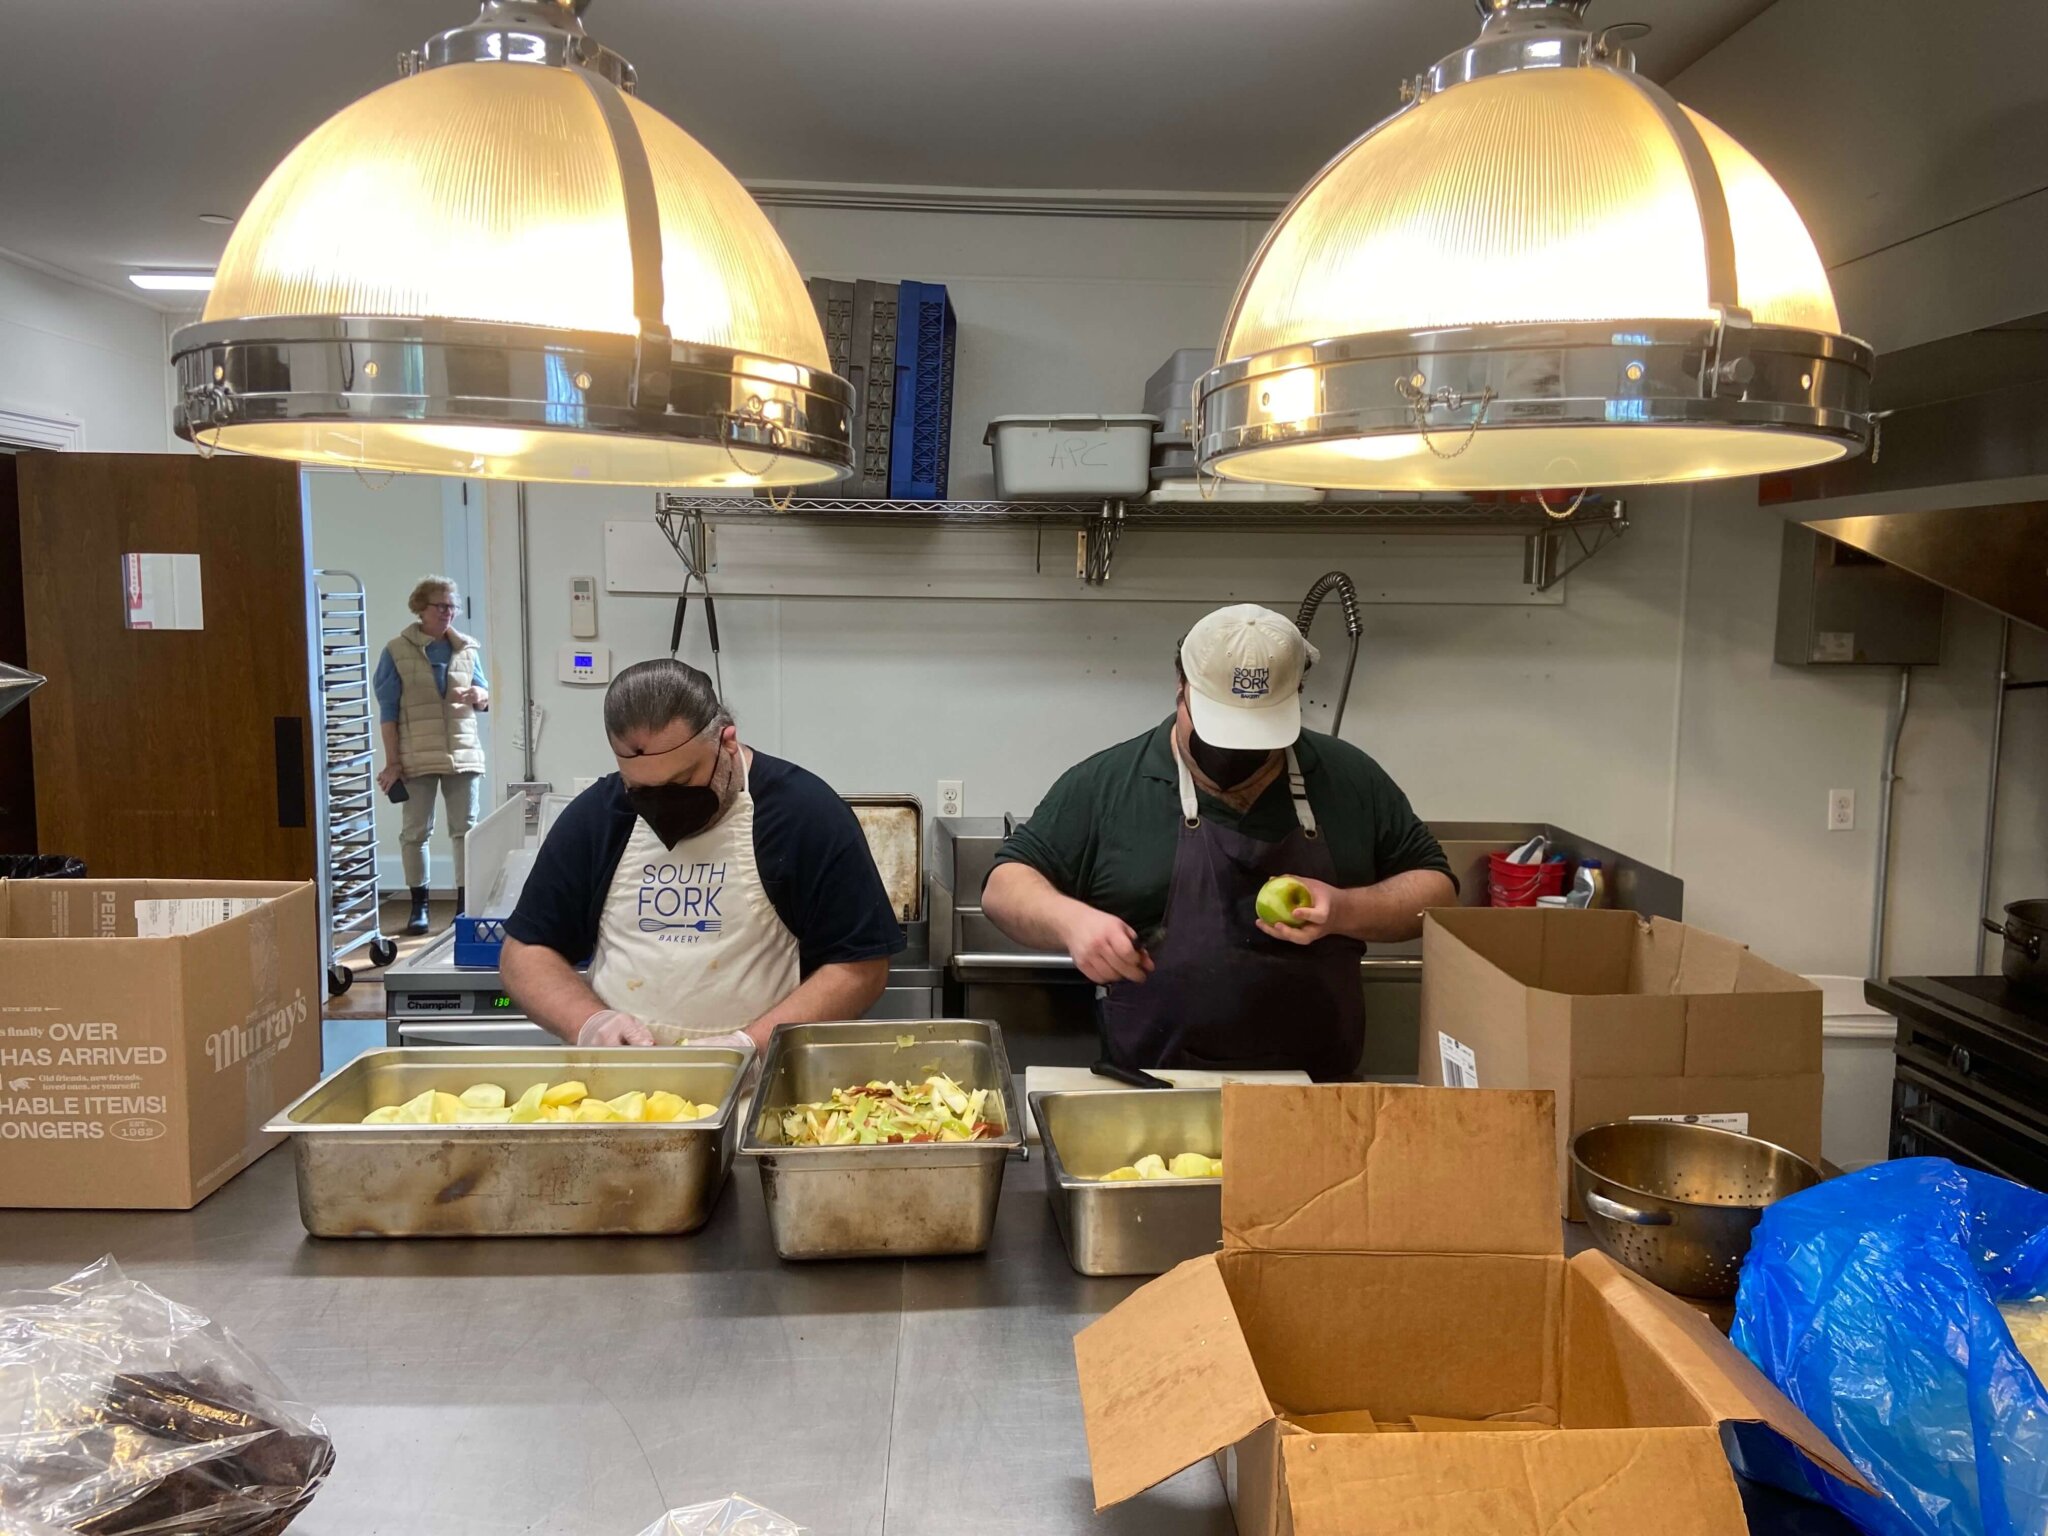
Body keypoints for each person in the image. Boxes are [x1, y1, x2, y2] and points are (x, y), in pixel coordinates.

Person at [982, 603, 1456, 1081]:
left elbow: (1438, 892)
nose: (1235, 754)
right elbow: (1004, 888)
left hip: (1317, 1095)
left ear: (1297, 698)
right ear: (1181, 687)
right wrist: (1070, 921)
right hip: (1148, 1094)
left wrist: (1344, 910)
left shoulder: (1349, 779)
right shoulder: (1107, 784)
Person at [500, 659, 902, 1051]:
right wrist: (590, 1022)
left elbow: (860, 969)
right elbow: (525, 955)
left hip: (757, 1087)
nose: (663, 804)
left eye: (682, 781)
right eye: (642, 790)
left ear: (726, 742)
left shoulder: (804, 814)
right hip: (622, 1091)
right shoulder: (598, 817)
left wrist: (750, 1045)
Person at [374, 576, 489, 936]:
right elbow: (388, 712)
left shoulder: (468, 648)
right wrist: (393, 762)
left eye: (452, 606)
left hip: (462, 753)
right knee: (414, 832)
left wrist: (478, 695)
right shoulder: (396, 650)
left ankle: (464, 906)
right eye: (441, 606)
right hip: (417, 755)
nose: (448, 613)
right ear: (420, 608)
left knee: (466, 832)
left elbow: (484, 695)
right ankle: (418, 906)